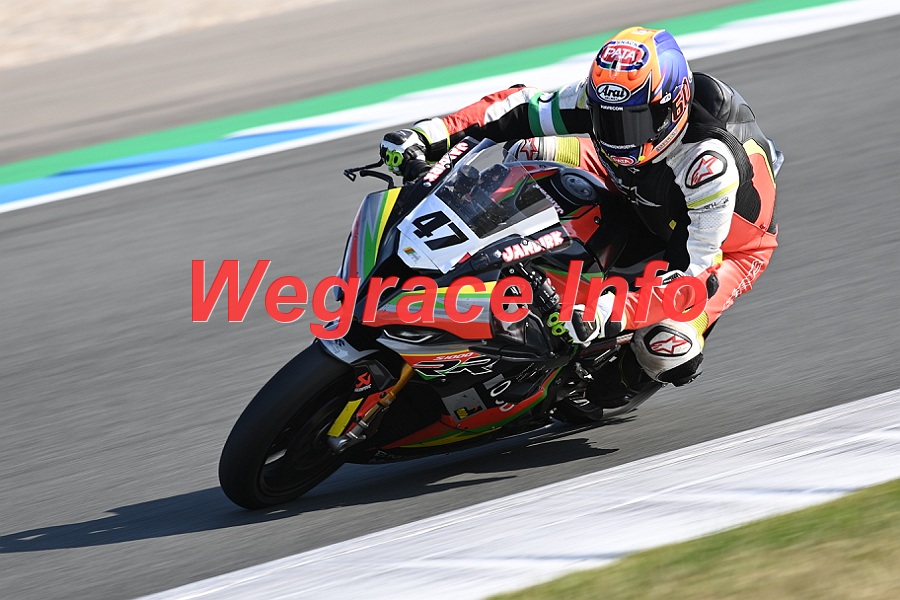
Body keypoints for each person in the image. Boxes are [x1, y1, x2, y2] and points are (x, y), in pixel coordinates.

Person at [379, 26, 781, 405]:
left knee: (665, 347)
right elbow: (521, 107)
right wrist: (431, 134)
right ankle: (472, 253)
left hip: (725, 250)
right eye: (608, 120)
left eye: (635, 123)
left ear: (672, 108)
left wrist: (608, 313)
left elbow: (695, 277)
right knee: (524, 152)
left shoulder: (708, 163)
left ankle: (615, 381)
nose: (619, 136)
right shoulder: (606, 100)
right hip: (633, 186)